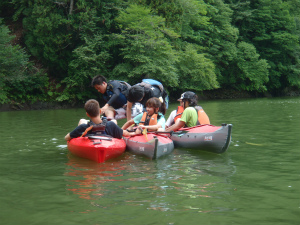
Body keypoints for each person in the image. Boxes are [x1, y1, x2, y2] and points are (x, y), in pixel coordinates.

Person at [65, 99, 135, 141]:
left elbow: (67, 138)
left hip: (89, 133)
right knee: (114, 121)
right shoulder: (111, 125)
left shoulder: (83, 127)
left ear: (87, 114)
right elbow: (125, 134)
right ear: (100, 111)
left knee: (82, 121)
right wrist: (135, 133)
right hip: (107, 135)